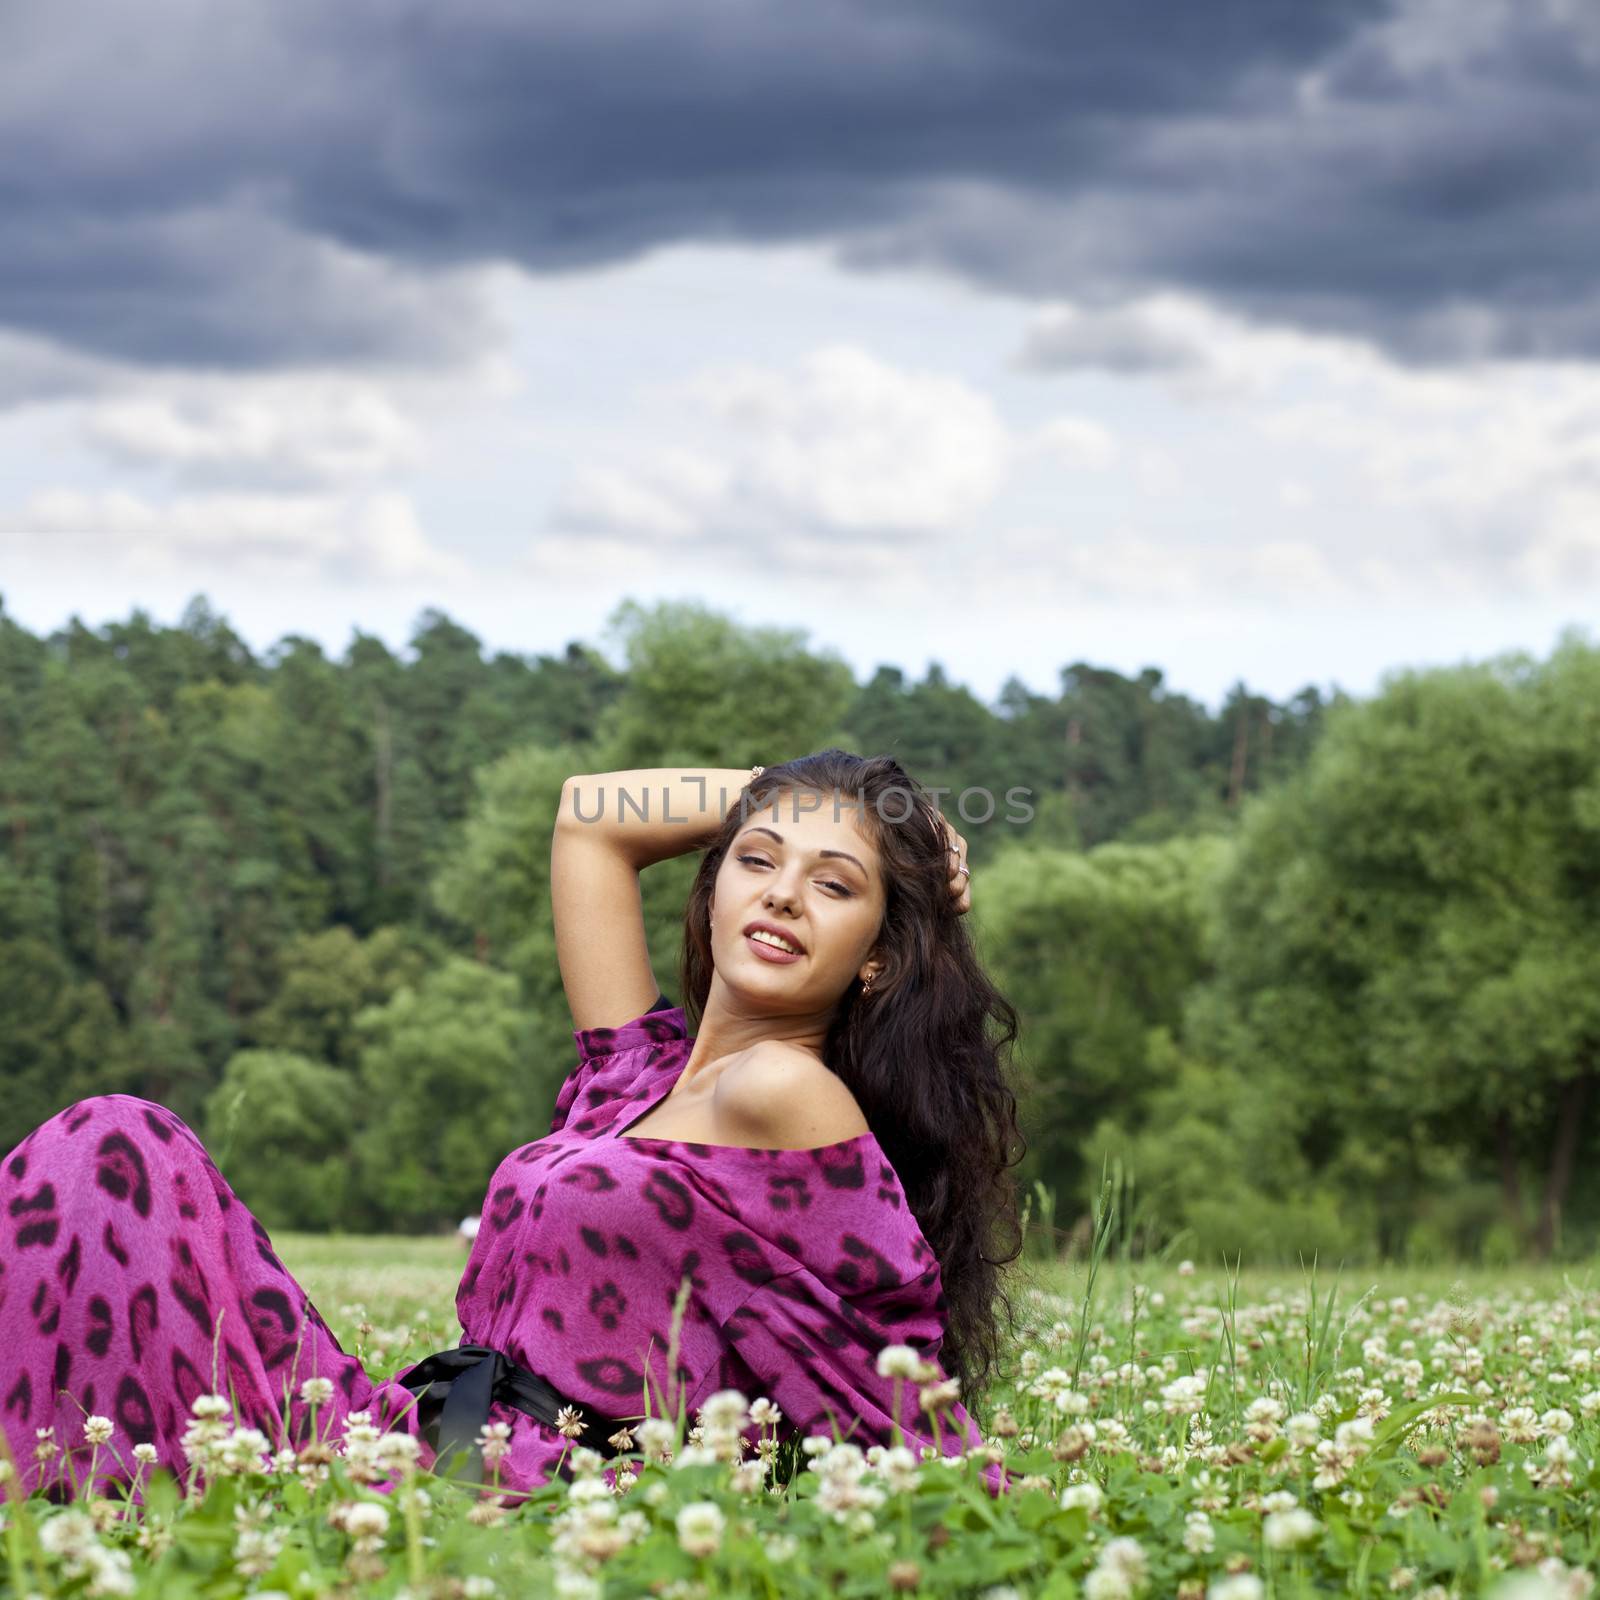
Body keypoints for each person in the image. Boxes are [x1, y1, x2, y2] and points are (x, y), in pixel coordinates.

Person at [0, 753, 1025, 1502]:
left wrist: (862, 821)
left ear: (878, 959)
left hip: (527, 1488)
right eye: (757, 861)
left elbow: (889, 1378)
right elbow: (590, 818)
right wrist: (834, 800)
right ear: (711, 889)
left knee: (114, 1143)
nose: (785, 894)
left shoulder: (782, 1092)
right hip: (418, 1426)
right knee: (115, 1144)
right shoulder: (630, 1080)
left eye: (836, 885)